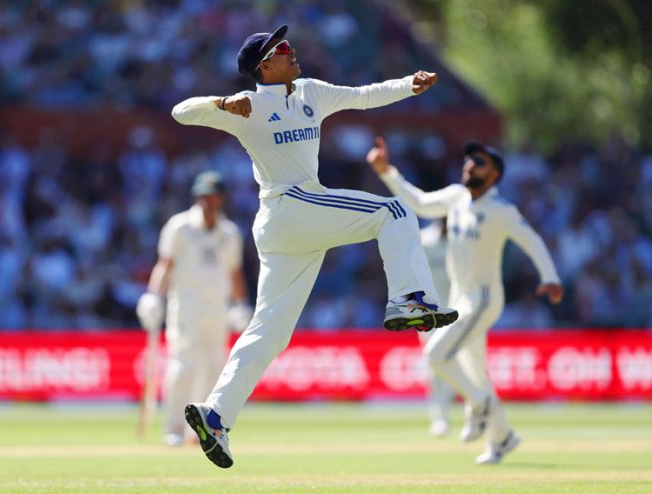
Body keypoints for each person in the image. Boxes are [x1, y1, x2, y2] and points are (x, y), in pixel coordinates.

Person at [170, 24, 459, 468]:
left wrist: (409, 86)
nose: (292, 50)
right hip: (287, 206)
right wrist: (222, 104)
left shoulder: (310, 91)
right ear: (264, 65)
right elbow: (180, 112)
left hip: (292, 224)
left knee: (270, 333)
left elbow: (362, 96)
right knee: (395, 212)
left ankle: (216, 415)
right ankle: (409, 301)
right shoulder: (248, 106)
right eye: (282, 48)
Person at [366, 136, 563, 464]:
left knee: (434, 354)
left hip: (483, 298)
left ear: (495, 175)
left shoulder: (501, 211)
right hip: (460, 297)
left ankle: (479, 403)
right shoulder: (457, 197)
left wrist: (550, 277)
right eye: (469, 160)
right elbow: (422, 203)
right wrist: (387, 172)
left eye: (479, 162)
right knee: (474, 372)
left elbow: (532, 240)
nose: (470, 165)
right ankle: (502, 438)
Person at [135, 170, 252, 447]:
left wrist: (240, 304)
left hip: (218, 311)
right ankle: (174, 427)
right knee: (184, 367)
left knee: (214, 368)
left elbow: (234, 273)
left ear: (221, 198)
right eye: (203, 196)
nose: (208, 202)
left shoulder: (230, 233)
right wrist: (154, 296)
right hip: (186, 309)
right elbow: (165, 265)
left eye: (213, 196)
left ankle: (202, 429)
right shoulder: (180, 227)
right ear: (197, 197)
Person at [418, 219, 455, 437]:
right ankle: (439, 416)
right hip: (429, 313)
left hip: (458, 310)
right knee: (433, 362)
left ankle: (475, 411)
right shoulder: (423, 240)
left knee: (458, 362)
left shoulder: (462, 240)